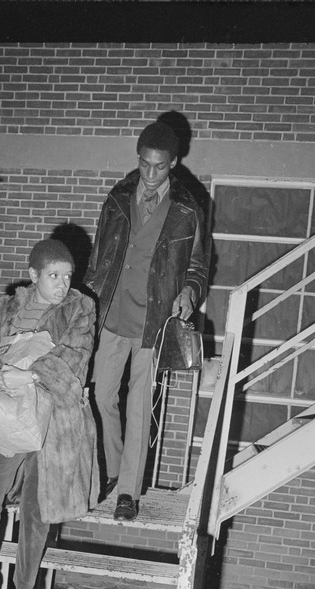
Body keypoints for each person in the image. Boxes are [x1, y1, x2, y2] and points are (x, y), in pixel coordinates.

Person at [0, 238, 99, 589]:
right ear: (34, 275)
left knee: (37, 506)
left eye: (67, 276)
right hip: (6, 415)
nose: (62, 284)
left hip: (52, 420)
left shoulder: (80, 308)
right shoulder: (3, 308)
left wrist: (30, 375)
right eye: (53, 276)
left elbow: (76, 357)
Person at [84, 121, 208, 522]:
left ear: (173, 163)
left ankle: (127, 493)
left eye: (159, 167)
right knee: (102, 397)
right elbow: (99, 257)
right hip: (113, 314)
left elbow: (199, 265)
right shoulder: (117, 198)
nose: (151, 175)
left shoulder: (188, 208)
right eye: (144, 165)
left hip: (153, 321)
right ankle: (118, 468)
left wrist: (189, 291)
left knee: (139, 404)